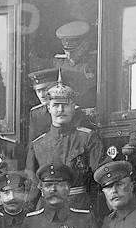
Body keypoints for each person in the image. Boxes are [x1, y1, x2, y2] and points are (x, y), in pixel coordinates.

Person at [25, 77, 104, 210]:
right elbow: (32, 185)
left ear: (73, 107)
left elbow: (101, 173)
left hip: (78, 207)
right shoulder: (38, 145)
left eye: (65, 105)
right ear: (48, 108)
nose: (61, 109)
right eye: (56, 105)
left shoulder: (88, 138)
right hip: (46, 209)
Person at [27, 67, 90, 142]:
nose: (42, 95)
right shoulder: (36, 113)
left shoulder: (73, 111)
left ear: (56, 87)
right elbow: (33, 143)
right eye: (38, 91)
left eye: (45, 89)